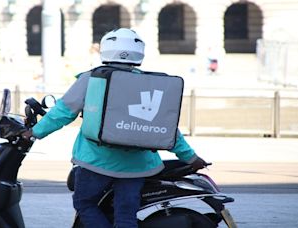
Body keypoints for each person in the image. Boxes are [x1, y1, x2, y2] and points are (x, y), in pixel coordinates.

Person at [22, 28, 207, 228]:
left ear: (105, 50)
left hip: (95, 161)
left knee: (84, 203)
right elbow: (166, 129)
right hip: (136, 166)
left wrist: (34, 132)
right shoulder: (148, 83)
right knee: (126, 213)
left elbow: (63, 112)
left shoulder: (91, 78)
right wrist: (191, 157)